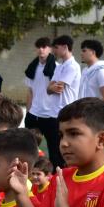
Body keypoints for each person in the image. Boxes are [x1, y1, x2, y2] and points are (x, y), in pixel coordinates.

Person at [40, 35, 81, 170]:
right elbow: (49, 89)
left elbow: (58, 87)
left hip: (67, 113)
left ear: (65, 47)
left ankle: (65, 174)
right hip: (54, 113)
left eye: (56, 48)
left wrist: (53, 87)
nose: (54, 51)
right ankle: (56, 176)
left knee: (64, 149)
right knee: (54, 149)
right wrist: (52, 87)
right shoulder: (60, 67)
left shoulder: (73, 66)